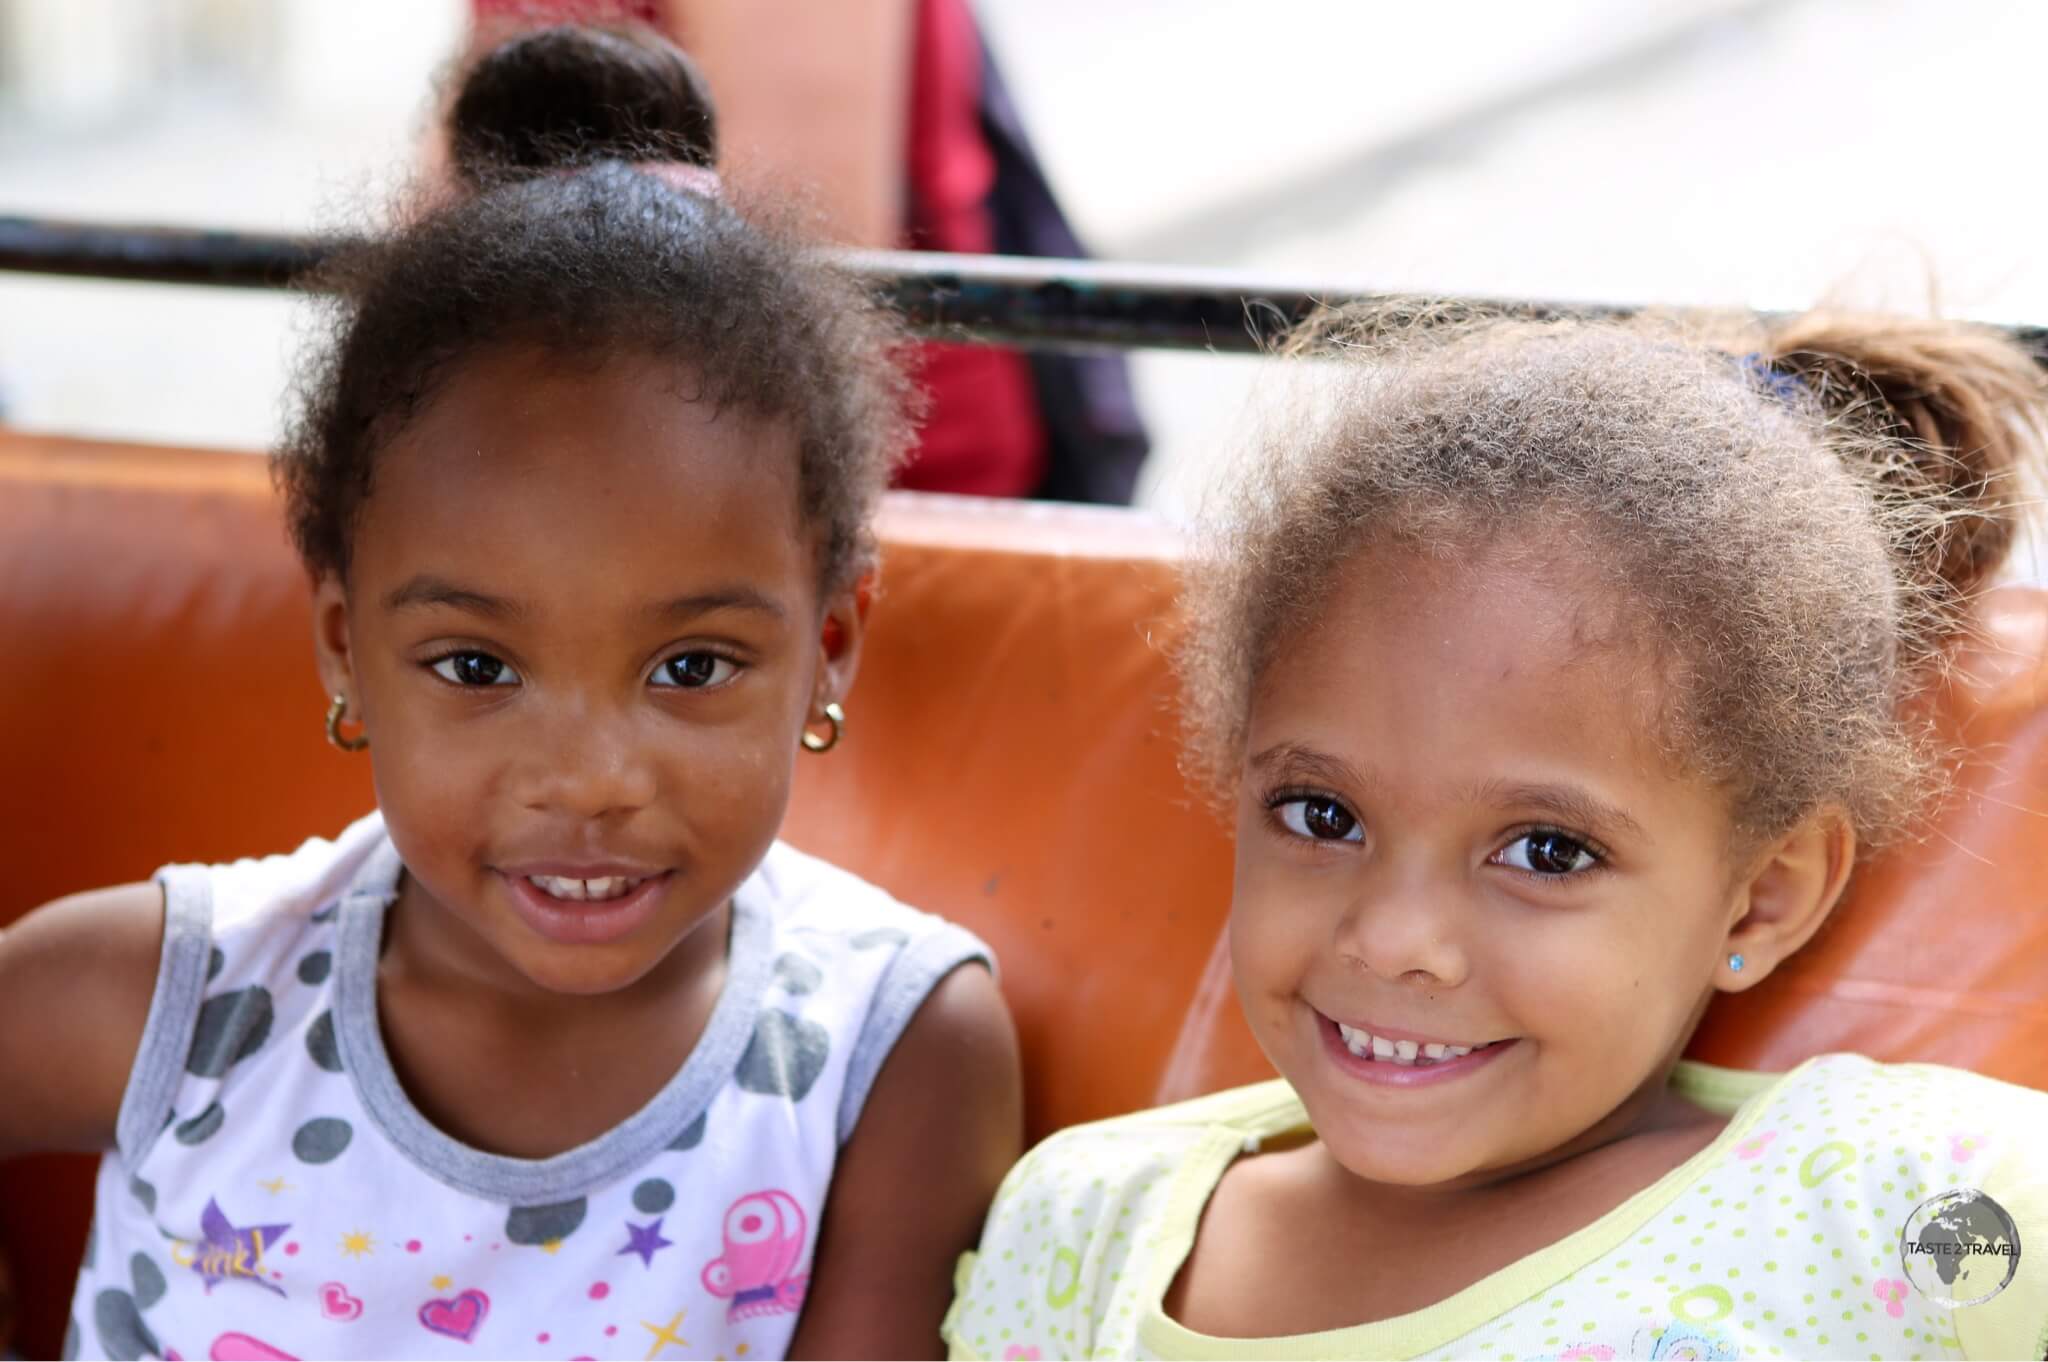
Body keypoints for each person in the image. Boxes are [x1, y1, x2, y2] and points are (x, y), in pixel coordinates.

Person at [0, 25, 1020, 1361]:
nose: (587, 774)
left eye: (690, 666)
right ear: (343, 646)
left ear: (830, 643)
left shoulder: (892, 1055)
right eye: (478, 667)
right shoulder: (160, 1002)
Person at [945, 308, 2048, 1359]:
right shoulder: (1084, 1228)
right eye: (1320, 816)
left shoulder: (1911, 1201)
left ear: (1761, 894)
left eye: (1545, 851)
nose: (1391, 940)